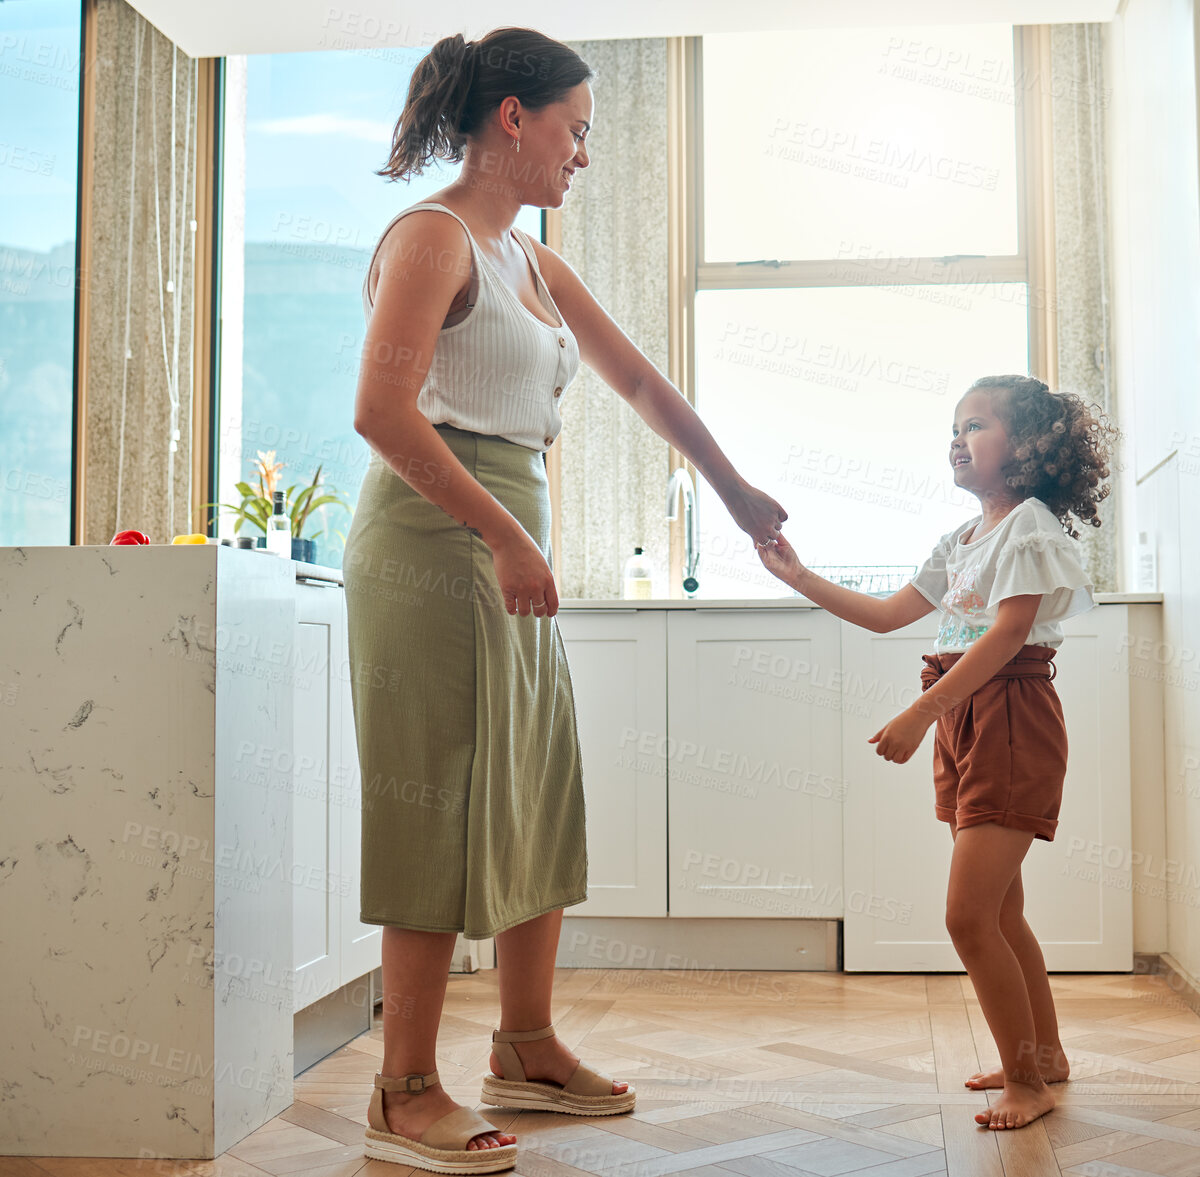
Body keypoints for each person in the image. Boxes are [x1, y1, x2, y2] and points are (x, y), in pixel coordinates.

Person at [342, 27, 787, 1172]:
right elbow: (382, 415)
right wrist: (500, 534)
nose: (583, 153)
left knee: (537, 777)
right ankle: (402, 1090)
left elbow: (639, 379)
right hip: (433, 533)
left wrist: (736, 492)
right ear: (512, 119)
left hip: (507, 532)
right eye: (576, 128)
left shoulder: (531, 262)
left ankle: (526, 1046)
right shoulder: (431, 238)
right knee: (437, 790)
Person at [757, 374, 1117, 1131]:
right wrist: (801, 577)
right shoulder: (962, 541)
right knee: (1003, 908)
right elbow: (891, 614)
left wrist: (921, 714)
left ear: (1027, 449)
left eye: (977, 425)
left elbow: (1009, 635)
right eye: (954, 426)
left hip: (1008, 714)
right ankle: (1043, 1054)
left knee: (968, 916)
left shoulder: (1030, 526)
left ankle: (1028, 1081)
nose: (957, 438)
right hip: (967, 714)